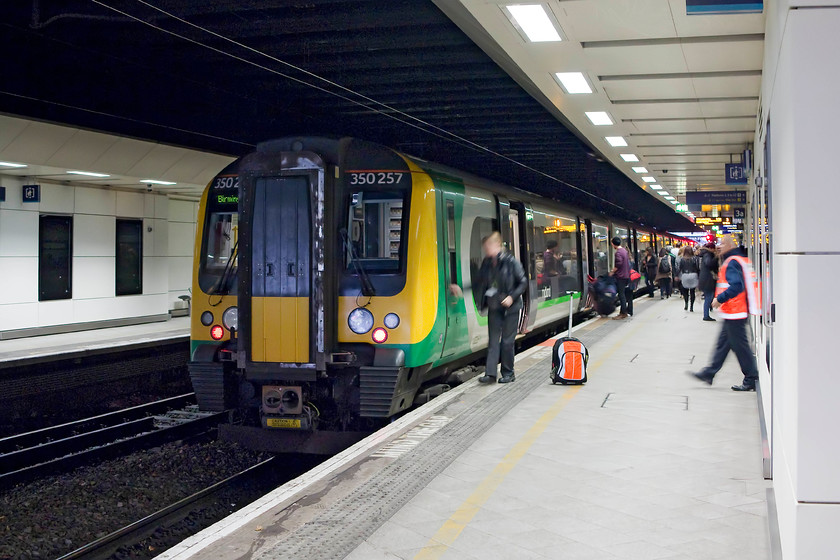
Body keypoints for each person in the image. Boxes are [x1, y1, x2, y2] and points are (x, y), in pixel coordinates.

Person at [689, 235, 761, 391]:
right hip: (733, 311)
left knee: (740, 346)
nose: (719, 246)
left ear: (730, 245)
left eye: (722, 243)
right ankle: (709, 372)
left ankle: (751, 377)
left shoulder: (732, 262)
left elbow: (737, 286)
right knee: (723, 345)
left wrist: (719, 299)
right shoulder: (739, 259)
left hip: (735, 310)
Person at [476, 232, 527, 384]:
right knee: (492, 341)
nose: (487, 250)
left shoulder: (511, 262)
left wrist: (512, 297)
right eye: (485, 247)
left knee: (507, 341)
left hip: (511, 307)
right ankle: (490, 374)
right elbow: (479, 281)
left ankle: (508, 373)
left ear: (498, 245)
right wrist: (459, 288)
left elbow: (523, 282)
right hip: (495, 305)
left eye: (489, 246)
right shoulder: (486, 263)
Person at [610, 237, 632, 319]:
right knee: (622, 294)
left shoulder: (618, 253)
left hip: (620, 276)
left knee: (621, 295)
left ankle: (623, 313)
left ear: (613, 244)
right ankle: (623, 312)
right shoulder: (624, 251)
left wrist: (612, 271)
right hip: (625, 275)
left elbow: (618, 264)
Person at [698, 242, 719, 321]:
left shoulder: (705, 254)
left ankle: (707, 313)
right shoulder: (708, 255)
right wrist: (716, 258)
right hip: (708, 279)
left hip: (705, 278)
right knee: (709, 297)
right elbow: (709, 263)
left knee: (709, 296)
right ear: (711, 248)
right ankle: (706, 315)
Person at [678, 245, 700, 312]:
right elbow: (697, 268)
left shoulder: (682, 259)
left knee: (685, 291)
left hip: (685, 275)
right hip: (693, 275)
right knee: (692, 292)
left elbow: (680, 268)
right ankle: (691, 307)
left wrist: (676, 275)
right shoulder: (695, 258)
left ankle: (686, 303)